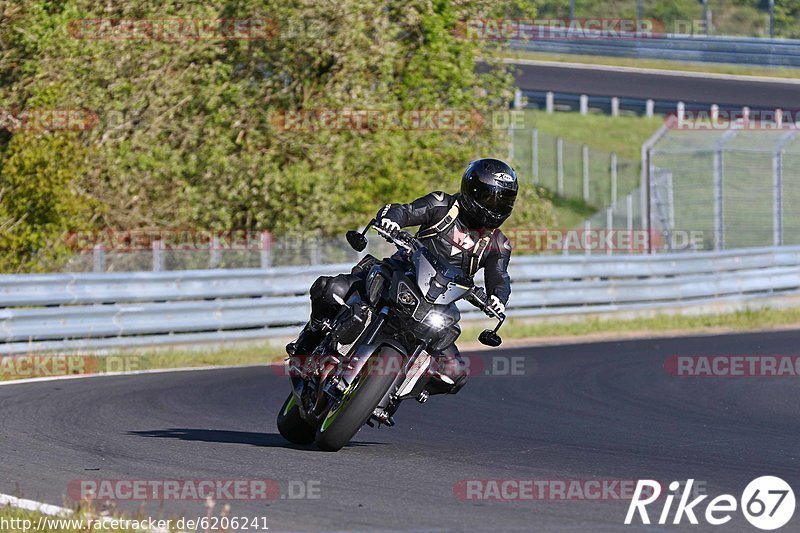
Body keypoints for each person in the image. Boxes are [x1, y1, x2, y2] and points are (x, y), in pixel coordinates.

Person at [286, 158, 517, 395]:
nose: (496, 205)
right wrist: (391, 221)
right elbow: (404, 211)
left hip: (438, 303)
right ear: (473, 190)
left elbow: (499, 276)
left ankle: (392, 392)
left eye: (504, 200)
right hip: (397, 274)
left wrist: (497, 298)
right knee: (331, 289)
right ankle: (307, 345)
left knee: (454, 374)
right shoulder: (442, 205)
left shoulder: (498, 244)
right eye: (491, 197)